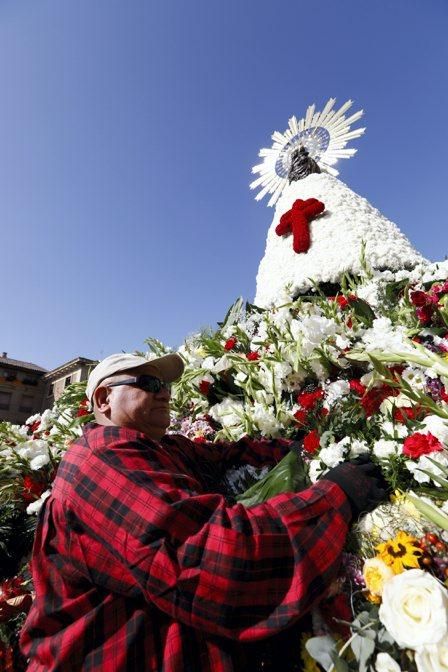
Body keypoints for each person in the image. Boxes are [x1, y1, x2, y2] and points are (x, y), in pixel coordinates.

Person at [21, 352, 387, 671]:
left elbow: (224, 457)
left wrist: (303, 443)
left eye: (166, 384)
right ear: (104, 399)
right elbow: (219, 555)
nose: (164, 392)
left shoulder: (158, 449)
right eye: (149, 383)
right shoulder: (102, 462)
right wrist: (336, 496)